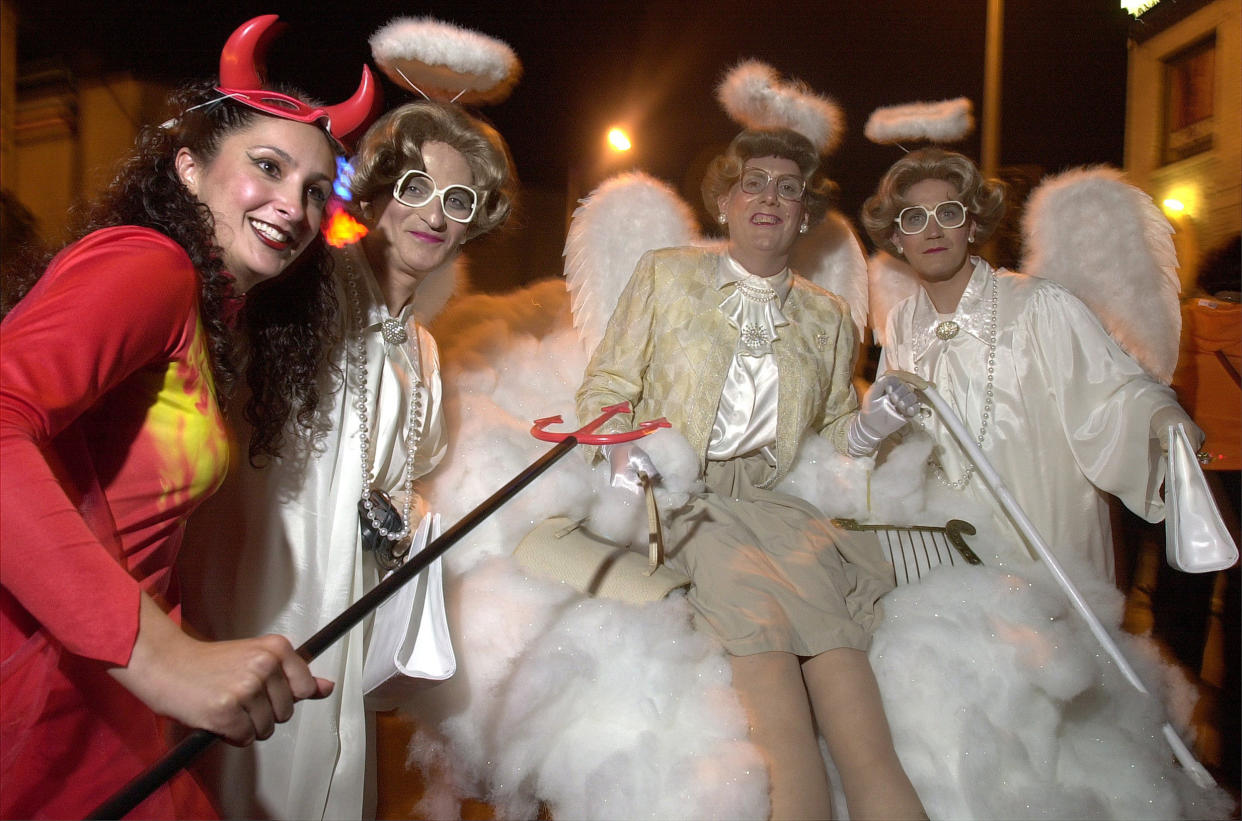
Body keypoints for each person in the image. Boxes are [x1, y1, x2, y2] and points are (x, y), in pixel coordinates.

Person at [0, 15, 377, 819]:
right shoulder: (151, 263)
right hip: (40, 688)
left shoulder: (215, 315)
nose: (294, 206)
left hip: (92, 689)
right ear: (187, 167)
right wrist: (156, 651)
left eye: (316, 190)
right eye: (267, 167)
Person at [575, 128, 925, 820]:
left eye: (788, 187)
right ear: (726, 202)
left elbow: (829, 435)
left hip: (780, 508)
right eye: (753, 182)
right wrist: (621, 446)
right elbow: (605, 387)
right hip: (687, 500)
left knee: (849, 684)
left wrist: (873, 424)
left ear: (804, 214)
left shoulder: (827, 318)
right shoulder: (665, 274)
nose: (769, 196)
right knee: (773, 684)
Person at [181, 100, 516, 820]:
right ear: (374, 192)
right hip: (259, 588)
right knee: (247, 781)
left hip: (347, 605)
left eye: (458, 200)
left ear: (474, 222)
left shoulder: (420, 346)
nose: (434, 213)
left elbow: (409, 466)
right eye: (415, 186)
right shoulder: (306, 284)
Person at [861, 147, 1200, 582]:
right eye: (914, 219)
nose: (932, 230)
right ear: (896, 238)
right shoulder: (903, 323)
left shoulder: (1038, 304)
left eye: (948, 213)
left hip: (1044, 544)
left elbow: (1111, 391)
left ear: (972, 224)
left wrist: (1160, 415)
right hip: (949, 554)